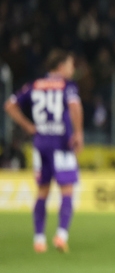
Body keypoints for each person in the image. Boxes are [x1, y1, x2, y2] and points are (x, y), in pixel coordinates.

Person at [5, 49, 83, 253]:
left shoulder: (35, 85)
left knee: (42, 191)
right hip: (62, 144)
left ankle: (39, 239)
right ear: (60, 66)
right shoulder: (67, 86)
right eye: (70, 64)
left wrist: (28, 126)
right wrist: (79, 133)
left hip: (40, 144)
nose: (72, 68)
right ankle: (61, 235)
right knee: (67, 190)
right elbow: (75, 107)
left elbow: (10, 105)